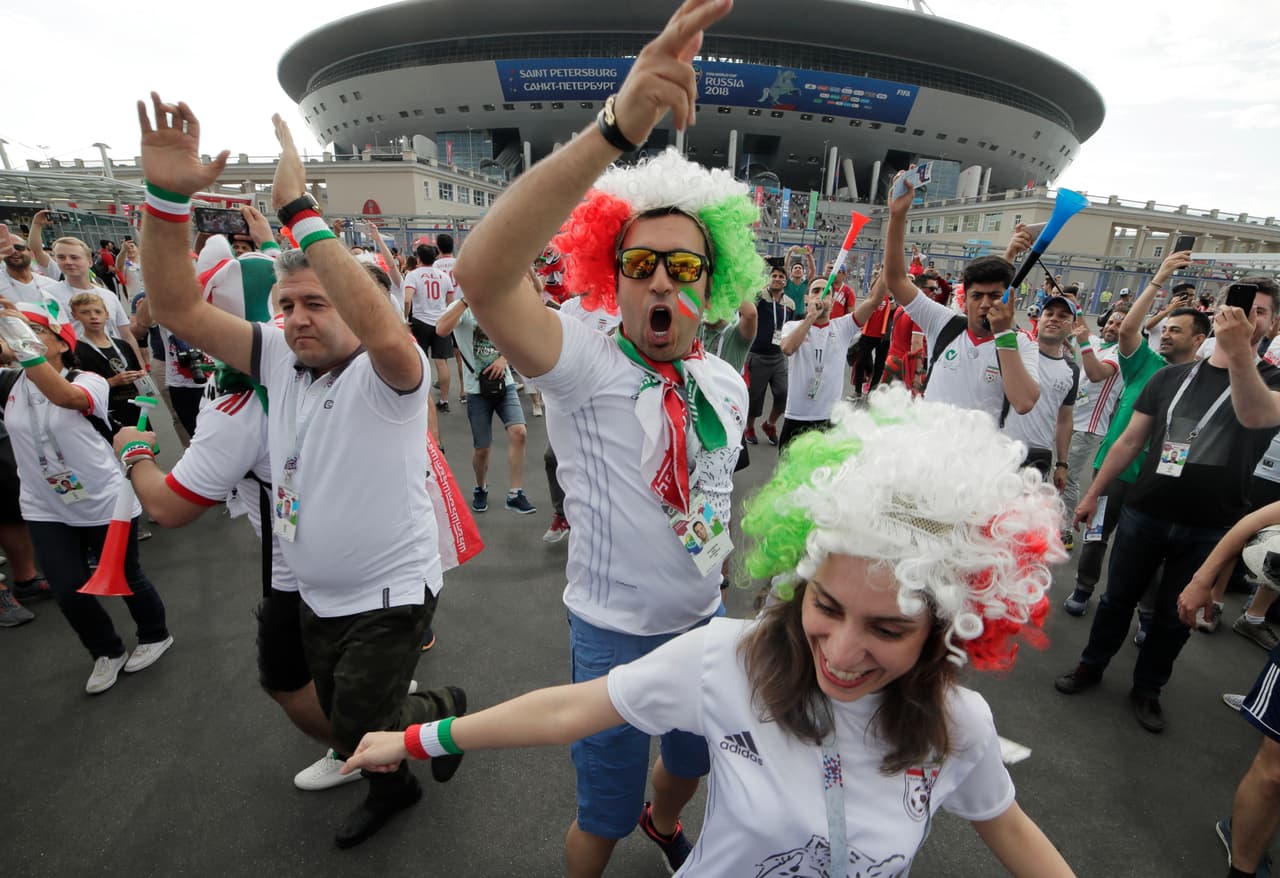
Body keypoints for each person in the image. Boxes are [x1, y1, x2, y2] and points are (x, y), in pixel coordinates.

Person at [342, 386, 1075, 878]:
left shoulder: (957, 725)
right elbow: (570, 709)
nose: (843, 651)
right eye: (826, 606)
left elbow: (1008, 826)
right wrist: (418, 739)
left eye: (886, 627)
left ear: (943, 630)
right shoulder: (731, 659)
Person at [451, 4, 762, 869]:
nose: (660, 280)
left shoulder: (724, 382)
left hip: (703, 623)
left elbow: (712, 491)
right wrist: (617, 129)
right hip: (611, 636)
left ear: (711, 285)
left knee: (691, 765)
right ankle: (634, 825)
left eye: (684, 266)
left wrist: (716, 571)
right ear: (611, 278)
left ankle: (666, 824)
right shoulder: (583, 359)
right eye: (639, 264)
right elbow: (482, 276)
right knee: (604, 813)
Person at [136, 94, 466, 848]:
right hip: (316, 590)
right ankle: (399, 781)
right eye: (286, 305)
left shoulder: (389, 373)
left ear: (353, 304)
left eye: (316, 302)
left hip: (389, 590)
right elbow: (177, 307)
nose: (297, 318)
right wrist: (166, 202)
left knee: (357, 726)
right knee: (350, 724)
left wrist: (299, 211)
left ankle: (441, 712)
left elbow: (387, 332)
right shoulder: (277, 357)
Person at [1057, 275, 1280, 733]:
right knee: (1116, 599)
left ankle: (1149, 688)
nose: (1246, 317)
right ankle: (1091, 664)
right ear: (1217, 313)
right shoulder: (1170, 376)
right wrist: (1094, 493)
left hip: (1210, 524)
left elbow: (1254, 412)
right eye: (1240, 306)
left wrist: (1240, 350)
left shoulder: (1273, 382)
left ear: (1273, 324)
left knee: (1175, 616)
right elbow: (1129, 441)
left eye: (1259, 311)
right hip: (1146, 510)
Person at [0, 300, 171, 692]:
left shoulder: (87, 380)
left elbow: (67, 399)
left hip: (102, 499)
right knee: (67, 589)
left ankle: (154, 633)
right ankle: (105, 651)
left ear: (62, 343)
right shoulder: (8, 384)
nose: (22, 339)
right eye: (18, 332)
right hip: (44, 505)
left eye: (34, 331)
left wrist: (18, 337)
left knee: (125, 577)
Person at [1063, 251, 1202, 616]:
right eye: (1165, 329)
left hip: (1156, 483)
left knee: (1148, 550)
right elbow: (1128, 330)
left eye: (1176, 330)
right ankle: (1083, 587)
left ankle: (1146, 611)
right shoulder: (1146, 364)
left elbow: (1186, 436)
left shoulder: (1203, 381)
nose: (1166, 335)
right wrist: (1159, 278)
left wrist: (1170, 477)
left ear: (1199, 339)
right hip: (1113, 471)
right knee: (1096, 534)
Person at [881, 173, 1040, 422]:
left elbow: (1024, 402)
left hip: (979, 448)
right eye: (977, 295)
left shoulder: (1022, 343)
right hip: (925, 444)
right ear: (965, 297)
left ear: (1009, 298)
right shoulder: (944, 323)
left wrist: (1004, 335)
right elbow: (896, 280)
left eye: (995, 295)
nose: (985, 303)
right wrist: (897, 216)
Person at [435, 296, 536, 515]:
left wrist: (503, 360)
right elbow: (441, 330)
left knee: (519, 432)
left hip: (505, 384)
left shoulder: (499, 303)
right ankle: (480, 488)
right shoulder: (462, 308)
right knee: (482, 449)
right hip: (476, 389)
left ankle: (515, 493)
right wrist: (466, 300)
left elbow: (513, 339)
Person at [777, 277, 883, 446]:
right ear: (807, 299)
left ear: (832, 302)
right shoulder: (792, 326)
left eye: (826, 292)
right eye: (816, 291)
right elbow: (788, 348)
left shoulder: (844, 326)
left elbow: (874, 300)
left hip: (829, 418)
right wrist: (811, 317)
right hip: (797, 416)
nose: (821, 294)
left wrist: (887, 266)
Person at [1060, 310, 1126, 552]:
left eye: (1119, 325)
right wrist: (1073, 306)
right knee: (1058, 474)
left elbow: (1096, 374)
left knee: (1068, 478)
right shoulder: (1097, 341)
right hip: (1068, 420)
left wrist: (1084, 344)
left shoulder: (1122, 353)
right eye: (1110, 322)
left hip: (1088, 426)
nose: (1112, 327)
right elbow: (1081, 326)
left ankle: (1065, 531)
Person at [1002, 295, 1079, 485]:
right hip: (1002, 448)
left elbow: (1065, 418)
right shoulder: (1017, 347)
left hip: (1038, 457)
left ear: (1073, 326)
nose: (1054, 319)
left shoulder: (1071, 369)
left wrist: (1062, 463)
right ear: (1040, 319)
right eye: (1049, 314)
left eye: (1062, 316)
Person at [403, 242, 459, 412]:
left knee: (420, 361)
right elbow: (451, 302)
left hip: (420, 321)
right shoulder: (443, 276)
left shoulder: (413, 275)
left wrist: (405, 317)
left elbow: (407, 299)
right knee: (441, 362)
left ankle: (421, 399)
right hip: (440, 321)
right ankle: (444, 400)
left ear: (418, 258)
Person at [745, 265, 793, 445]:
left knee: (783, 393)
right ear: (769, 278)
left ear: (785, 281)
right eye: (774, 275)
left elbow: (790, 327)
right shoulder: (759, 297)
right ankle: (749, 426)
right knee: (755, 397)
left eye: (781, 276)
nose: (777, 279)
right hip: (758, 354)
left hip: (778, 356)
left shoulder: (790, 304)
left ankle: (770, 424)